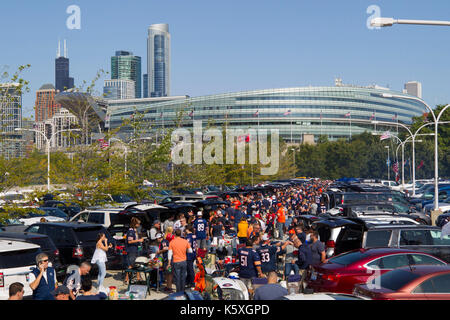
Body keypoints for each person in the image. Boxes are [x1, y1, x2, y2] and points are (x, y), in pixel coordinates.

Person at [124, 217, 144, 284]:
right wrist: (139, 240)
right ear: (135, 224)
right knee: (131, 265)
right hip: (131, 250)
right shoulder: (130, 231)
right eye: (138, 224)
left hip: (136, 249)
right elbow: (130, 241)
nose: (139, 225)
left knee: (137, 264)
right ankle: (126, 279)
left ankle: (138, 278)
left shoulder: (135, 231)